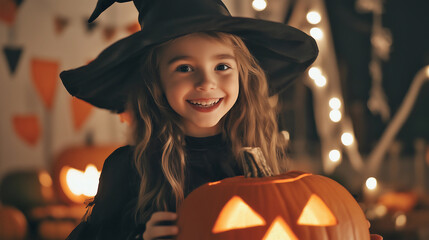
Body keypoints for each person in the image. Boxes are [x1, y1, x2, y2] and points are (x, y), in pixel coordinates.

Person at [60, 0, 383, 239]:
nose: (206, 83)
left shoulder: (260, 158)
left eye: (222, 67)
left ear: (244, 75)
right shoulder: (129, 169)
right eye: (184, 68)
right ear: (155, 81)